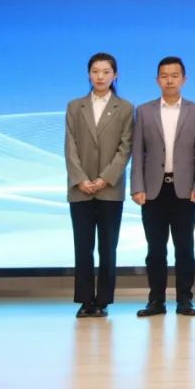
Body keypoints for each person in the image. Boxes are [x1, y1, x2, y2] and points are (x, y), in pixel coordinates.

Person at [130, 56, 195, 318]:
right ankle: (156, 301)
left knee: (185, 248)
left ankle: (185, 300)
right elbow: (137, 152)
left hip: (185, 190)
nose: (170, 80)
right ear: (157, 80)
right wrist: (137, 186)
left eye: (175, 76)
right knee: (155, 250)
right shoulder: (144, 111)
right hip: (153, 190)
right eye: (164, 76)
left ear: (184, 79)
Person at [64, 52, 134, 318]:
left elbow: (125, 148)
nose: (100, 76)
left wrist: (105, 178)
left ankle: (103, 301)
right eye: (95, 71)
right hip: (79, 189)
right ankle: (85, 301)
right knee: (83, 247)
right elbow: (70, 145)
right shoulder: (75, 106)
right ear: (88, 74)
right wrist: (80, 179)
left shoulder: (125, 108)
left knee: (107, 247)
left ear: (115, 75)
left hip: (110, 189)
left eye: (106, 72)